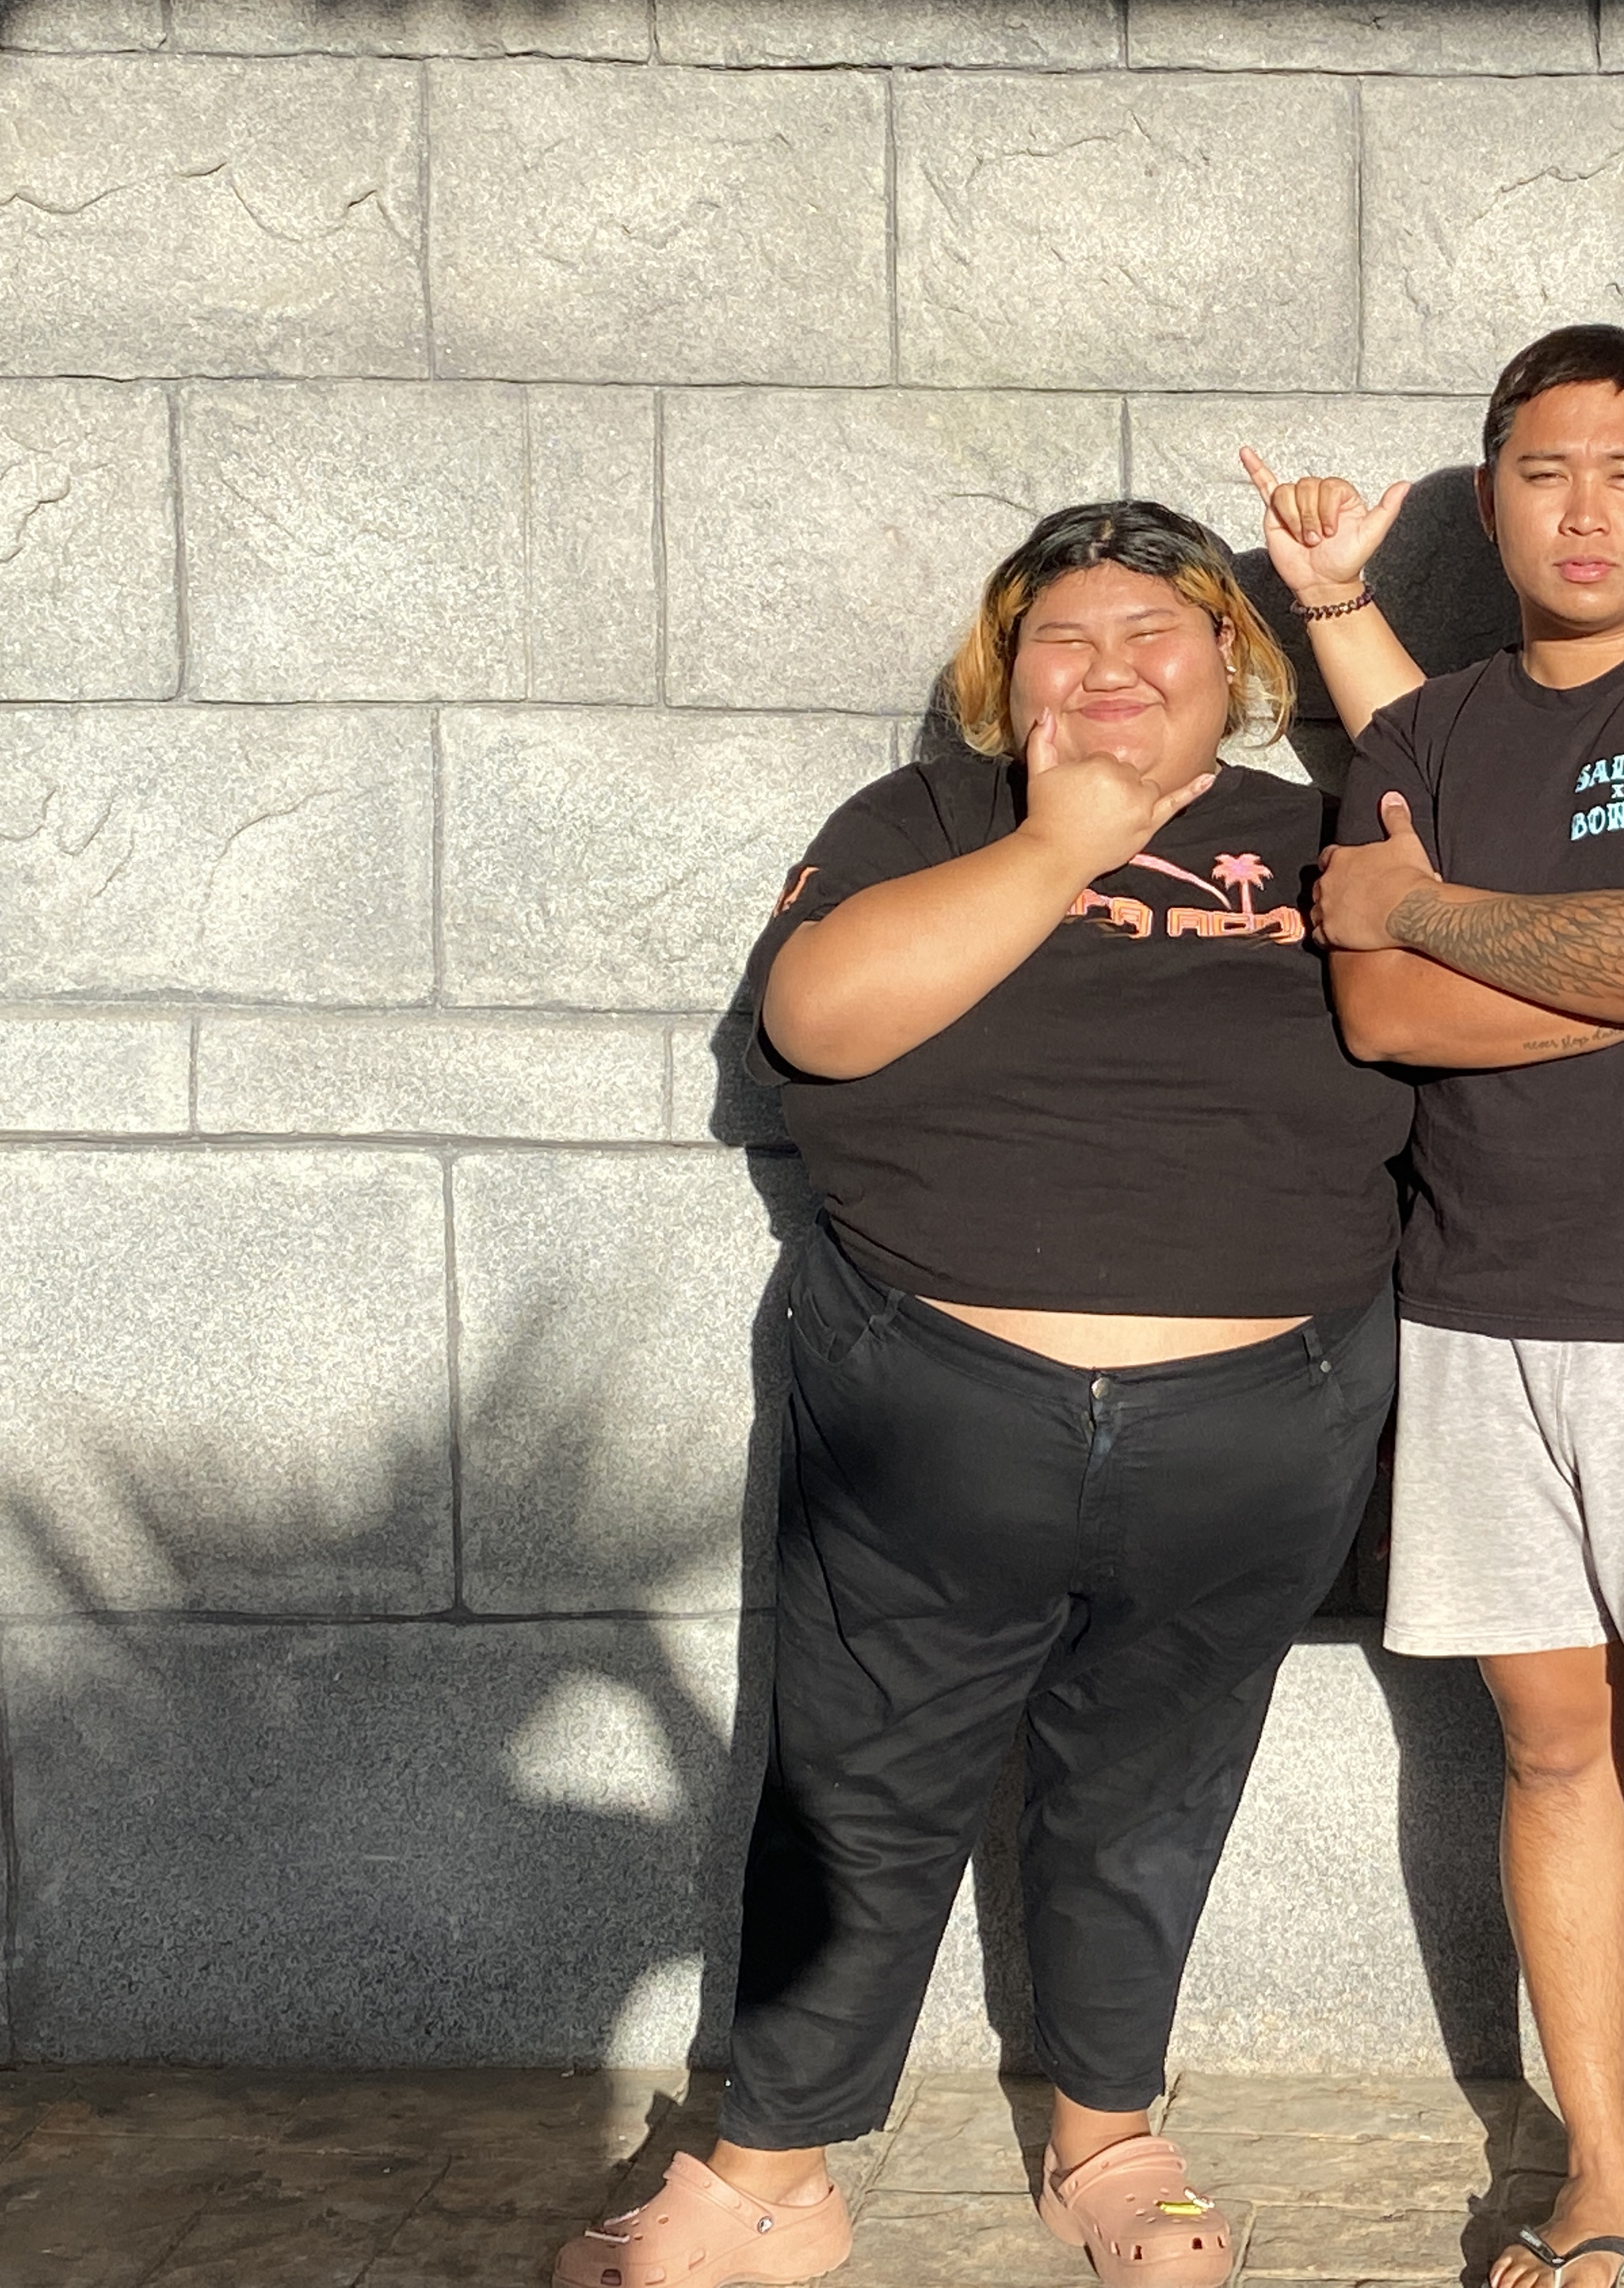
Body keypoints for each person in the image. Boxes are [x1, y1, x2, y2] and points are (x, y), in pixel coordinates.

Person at [553, 502, 1414, 2288]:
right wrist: (1064, 841)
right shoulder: (922, 822)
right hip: (937, 1409)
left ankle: (1108, 2136)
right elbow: (821, 1021)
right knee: (859, 1787)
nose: (1108, 670)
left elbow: (1473, 963)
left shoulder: (1318, 832)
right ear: (1002, 677)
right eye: (1062, 642)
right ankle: (773, 2166)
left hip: (1264, 1417)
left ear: (1233, 665)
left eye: (1153, 633)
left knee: (1154, 1786)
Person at [1255, 324, 1624, 2288]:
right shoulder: (1423, 738)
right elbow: (1379, 1018)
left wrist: (1431, 909)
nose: (1582, 507)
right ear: (1491, 496)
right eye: (1540, 469)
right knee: (1541, 1749)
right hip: (1478, 1310)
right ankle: (1598, 2169)